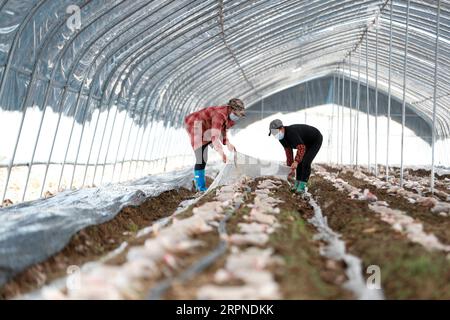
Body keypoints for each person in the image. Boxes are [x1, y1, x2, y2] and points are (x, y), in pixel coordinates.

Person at [185, 98, 245, 191]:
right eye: (237, 114)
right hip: (196, 125)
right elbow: (215, 137)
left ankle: (197, 182)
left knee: (204, 154)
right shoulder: (219, 114)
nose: (237, 117)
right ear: (231, 109)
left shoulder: (228, 116)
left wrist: (227, 143)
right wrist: (222, 154)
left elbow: (222, 129)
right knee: (201, 158)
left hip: (207, 127)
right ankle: (199, 186)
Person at [268, 119, 323, 194]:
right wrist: (290, 167)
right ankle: (297, 183)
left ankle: (302, 185)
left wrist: (296, 161)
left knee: (305, 162)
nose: (275, 135)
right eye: (273, 133)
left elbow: (301, 147)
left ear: (281, 128)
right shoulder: (281, 138)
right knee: (299, 162)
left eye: (275, 132)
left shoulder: (291, 133)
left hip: (314, 140)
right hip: (304, 142)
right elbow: (288, 151)